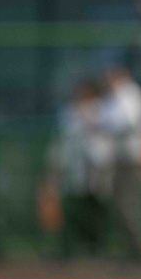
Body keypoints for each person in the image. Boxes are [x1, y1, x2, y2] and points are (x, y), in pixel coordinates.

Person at [41, 77, 116, 257]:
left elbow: (106, 140)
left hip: (97, 167)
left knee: (96, 207)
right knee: (71, 206)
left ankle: (97, 247)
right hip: (73, 167)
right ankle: (68, 248)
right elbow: (62, 140)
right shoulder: (69, 112)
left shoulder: (102, 110)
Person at [104, 63, 141, 259]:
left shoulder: (130, 94)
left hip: (133, 156)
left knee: (128, 203)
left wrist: (103, 125)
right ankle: (133, 247)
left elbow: (126, 123)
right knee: (122, 203)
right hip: (123, 156)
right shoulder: (117, 95)